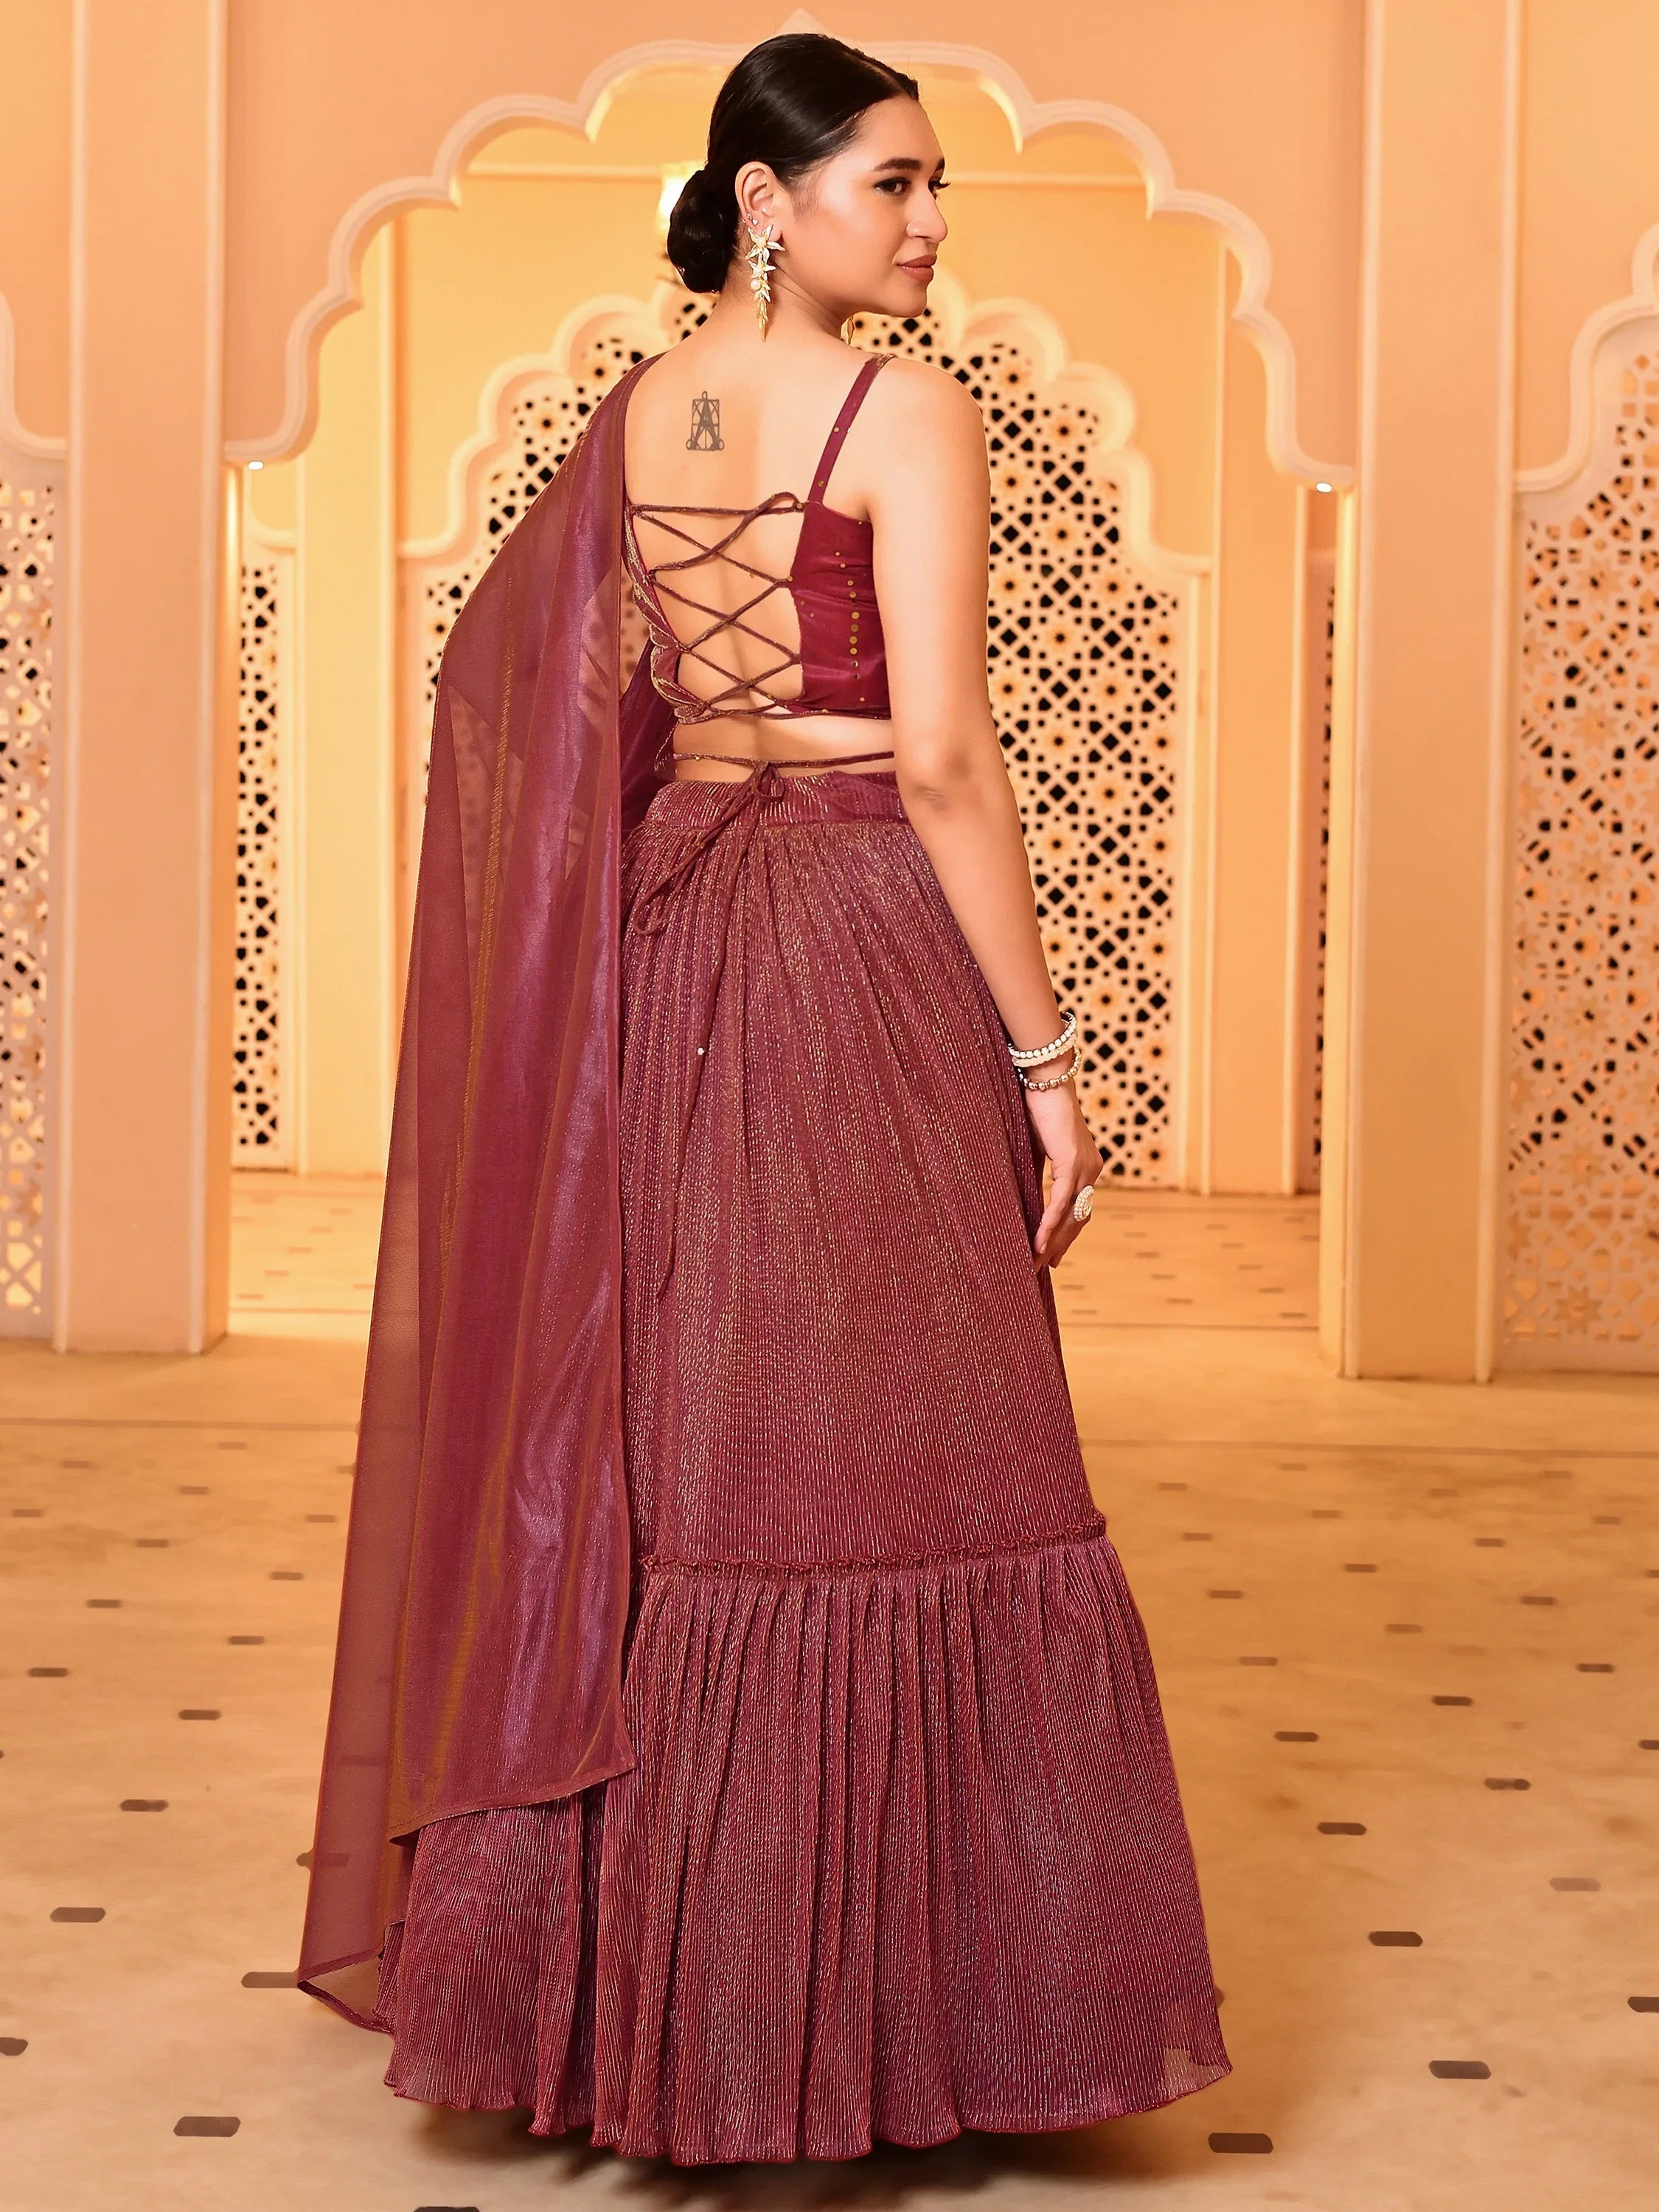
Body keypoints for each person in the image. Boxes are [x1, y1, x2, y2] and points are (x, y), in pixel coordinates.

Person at [295, 31, 1228, 2166]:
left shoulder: (638, 416)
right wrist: (1045, 1058)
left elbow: (525, 689)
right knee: (912, 1448)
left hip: (675, 930)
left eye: (930, 191)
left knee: (693, 1445)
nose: (920, 225)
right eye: (885, 183)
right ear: (759, 196)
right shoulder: (907, 414)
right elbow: (939, 761)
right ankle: (910, 2023)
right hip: (852, 945)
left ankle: (654, 2016)